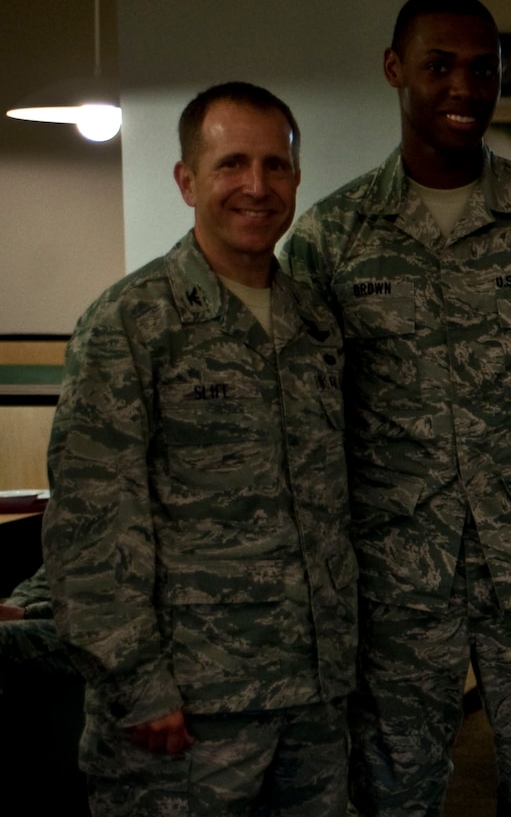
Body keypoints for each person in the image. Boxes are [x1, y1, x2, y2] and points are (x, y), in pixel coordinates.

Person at [282, 0, 511, 816]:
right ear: (394, 69)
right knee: (390, 794)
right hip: (394, 576)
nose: (465, 87)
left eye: (483, 69)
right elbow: (312, 422)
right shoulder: (333, 237)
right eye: (440, 66)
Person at [44, 81, 355, 816]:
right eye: (231, 164)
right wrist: (137, 683)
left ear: (297, 178)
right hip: (186, 711)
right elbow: (91, 525)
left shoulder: (315, 322)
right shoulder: (131, 323)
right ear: (187, 181)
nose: (256, 186)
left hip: (312, 700)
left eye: (275, 165)